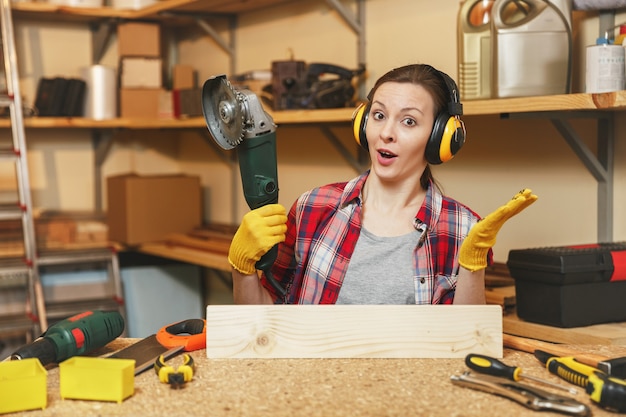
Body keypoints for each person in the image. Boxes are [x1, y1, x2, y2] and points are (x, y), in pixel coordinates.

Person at [227, 63, 537, 305]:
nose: (386, 133)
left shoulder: (462, 229)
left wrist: (472, 267)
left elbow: (468, 343)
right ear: (362, 123)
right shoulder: (313, 207)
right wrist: (242, 269)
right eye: (378, 115)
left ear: (441, 138)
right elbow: (262, 321)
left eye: (409, 121)